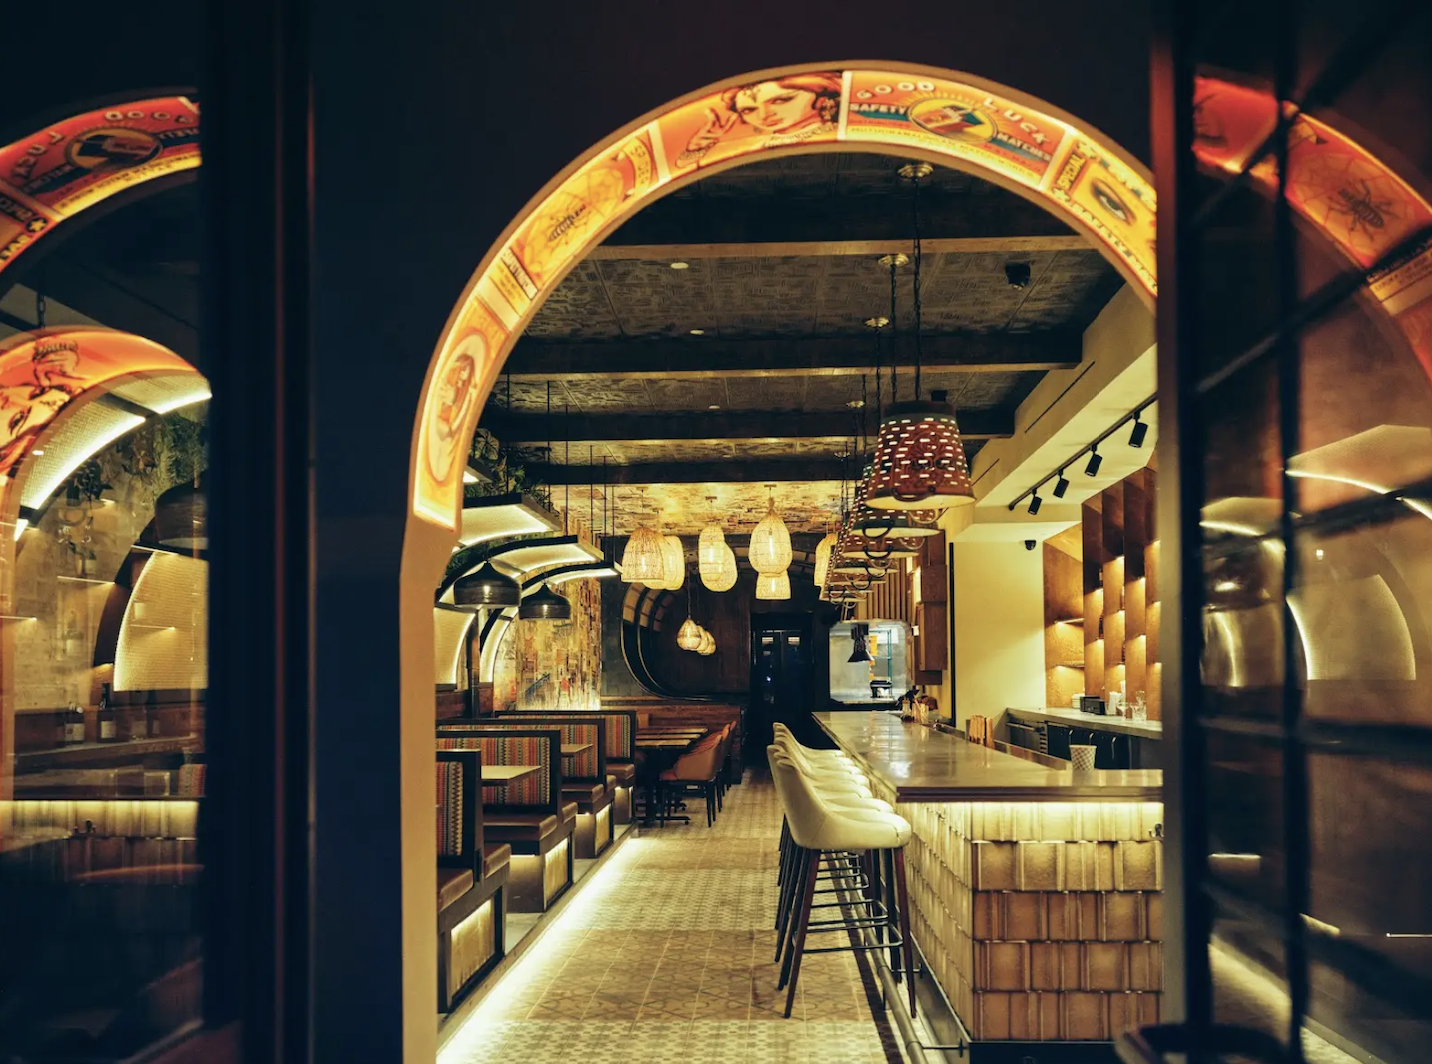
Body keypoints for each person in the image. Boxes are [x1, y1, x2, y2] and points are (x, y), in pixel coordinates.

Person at [677, 73, 842, 168]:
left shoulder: (842, 133)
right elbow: (680, 166)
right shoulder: (745, 145)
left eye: (780, 100)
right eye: (749, 110)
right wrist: (696, 149)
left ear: (821, 96)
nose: (764, 115)